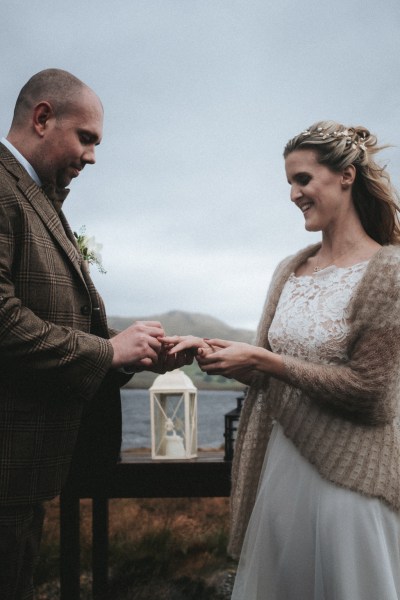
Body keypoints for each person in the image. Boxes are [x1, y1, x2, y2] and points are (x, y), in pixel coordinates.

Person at [163, 121, 400, 599]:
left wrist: (267, 363)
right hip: (280, 470)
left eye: (303, 179)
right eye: (289, 183)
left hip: (349, 484)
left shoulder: (389, 270)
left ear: (347, 175)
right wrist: (216, 351)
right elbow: (271, 371)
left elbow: (371, 393)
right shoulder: (289, 269)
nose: (293, 194)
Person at [0, 68, 189, 600]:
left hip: (24, 478)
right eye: (86, 138)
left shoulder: (40, 197)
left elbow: (55, 312)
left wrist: (129, 350)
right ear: (42, 118)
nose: (92, 157)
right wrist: (106, 351)